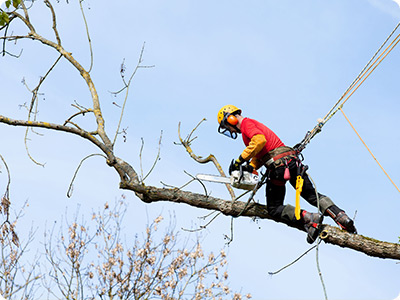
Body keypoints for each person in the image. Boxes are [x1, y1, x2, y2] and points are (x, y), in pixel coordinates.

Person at [217, 105, 357, 243]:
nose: (229, 129)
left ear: (231, 119)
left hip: (278, 166)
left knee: (274, 208)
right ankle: (341, 216)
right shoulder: (251, 125)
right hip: (291, 162)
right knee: (311, 194)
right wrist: (250, 167)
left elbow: (259, 141)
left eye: (226, 126)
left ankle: (308, 218)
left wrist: (239, 161)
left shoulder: (247, 124)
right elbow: (261, 152)